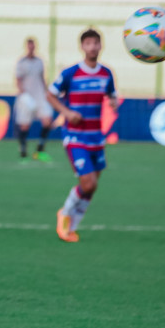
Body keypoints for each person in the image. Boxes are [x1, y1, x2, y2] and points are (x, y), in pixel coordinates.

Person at [46, 28, 118, 243]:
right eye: (88, 43)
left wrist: (113, 102)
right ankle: (65, 214)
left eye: (96, 43)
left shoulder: (106, 73)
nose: (92, 47)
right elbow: (50, 94)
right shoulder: (71, 73)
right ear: (82, 47)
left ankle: (72, 227)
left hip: (96, 137)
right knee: (87, 184)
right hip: (75, 136)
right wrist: (66, 112)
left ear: (101, 46)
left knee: (93, 186)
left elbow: (111, 94)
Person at [13, 37, 54, 163]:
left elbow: (42, 78)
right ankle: (23, 150)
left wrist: (47, 92)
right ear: (27, 47)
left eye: (33, 46)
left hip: (40, 96)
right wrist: (23, 94)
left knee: (47, 121)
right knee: (25, 125)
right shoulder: (21, 62)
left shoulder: (39, 62)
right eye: (29, 46)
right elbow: (18, 80)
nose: (31, 48)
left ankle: (39, 150)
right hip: (27, 97)